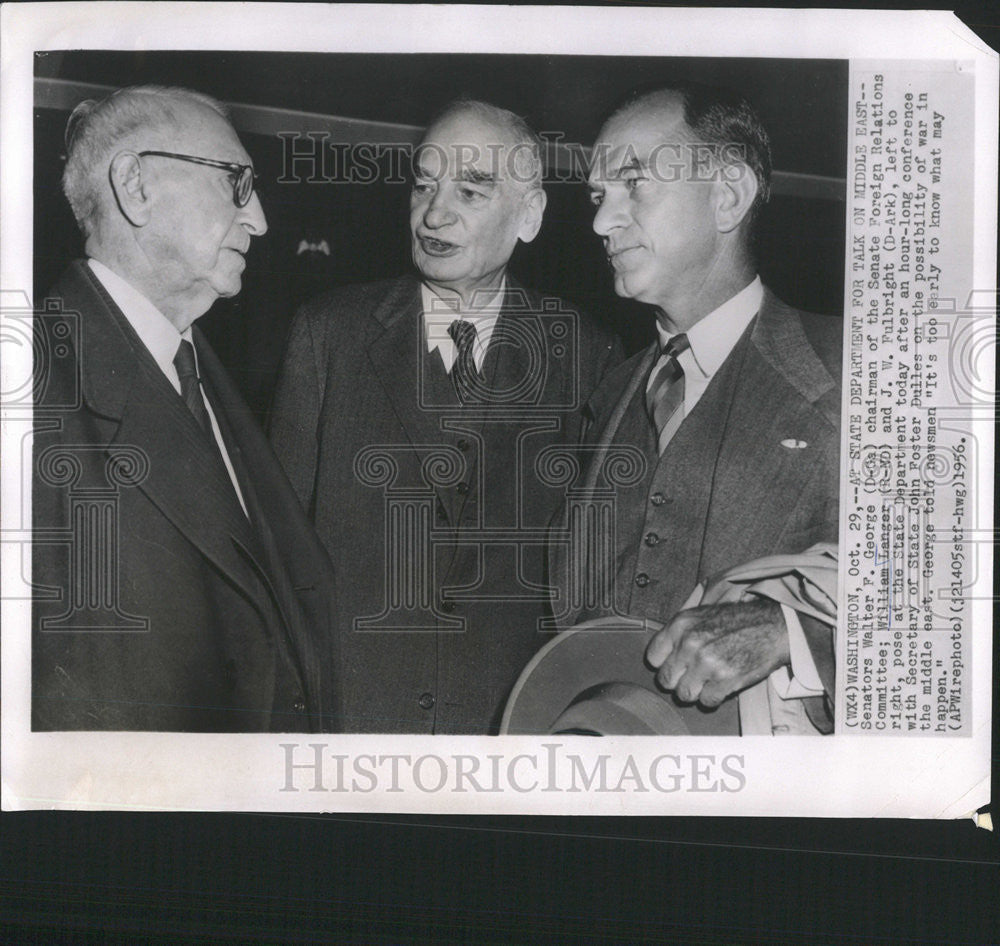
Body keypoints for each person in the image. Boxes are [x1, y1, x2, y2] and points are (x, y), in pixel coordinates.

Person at [270, 99, 622, 734]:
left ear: (530, 215)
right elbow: (280, 557)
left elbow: (592, 571)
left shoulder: (587, 354)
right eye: (424, 184)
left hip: (509, 728)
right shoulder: (327, 334)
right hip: (352, 723)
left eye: (470, 189)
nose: (434, 213)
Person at [32, 85, 338, 732]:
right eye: (236, 182)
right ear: (135, 185)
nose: (259, 219)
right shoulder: (30, 391)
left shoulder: (207, 379)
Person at [546, 84, 842, 735]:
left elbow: (951, 601)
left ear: (728, 194)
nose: (600, 221)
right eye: (597, 196)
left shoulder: (854, 369)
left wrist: (792, 632)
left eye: (633, 183)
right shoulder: (606, 393)